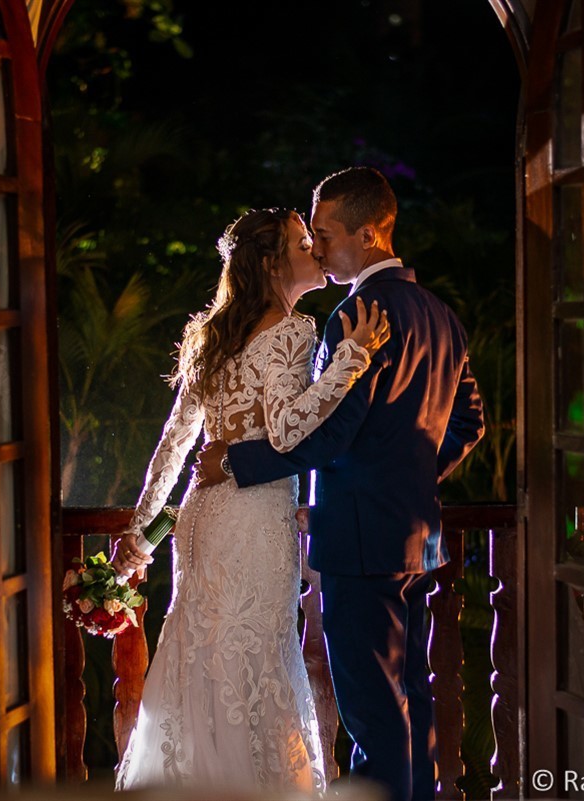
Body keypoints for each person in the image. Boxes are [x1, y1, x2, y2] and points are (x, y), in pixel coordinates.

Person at [191, 167, 485, 801]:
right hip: (418, 535)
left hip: (357, 538)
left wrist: (237, 464)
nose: (317, 248)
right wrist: (407, 478)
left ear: (372, 232)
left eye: (324, 233)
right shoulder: (442, 316)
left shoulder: (356, 316)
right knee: (413, 695)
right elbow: (469, 423)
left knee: (373, 711)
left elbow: (329, 434)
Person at [109, 207, 391, 793]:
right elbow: (289, 431)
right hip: (253, 518)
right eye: (301, 242)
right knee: (253, 659)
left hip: (201, 520)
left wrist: (138, 539)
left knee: (202, 657)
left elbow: (172, 445)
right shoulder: (293, 330)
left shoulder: (209, 335)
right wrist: (352, 359)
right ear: (270, 262)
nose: (314, 250)